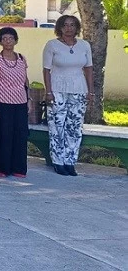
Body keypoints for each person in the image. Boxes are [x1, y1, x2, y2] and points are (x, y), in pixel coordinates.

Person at [42, 15, 93, 177]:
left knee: (74, 127)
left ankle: (70, 161)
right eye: (65, 25)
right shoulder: (52, 45)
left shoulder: (84, 45)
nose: (69, 28)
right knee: (58, 126)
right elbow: (46, 70)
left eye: (72, 25)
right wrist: (48, 91)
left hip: (79, 89)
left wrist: (90, 91)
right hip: (57, 90)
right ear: (60, 28)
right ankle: (58, 161)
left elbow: (89, 68)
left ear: (77, 27)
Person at [0, 27, 29, 178]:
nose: (8, 41)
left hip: (20, 102)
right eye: (4, 38)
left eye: (11, 38)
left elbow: (25, 80)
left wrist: (29, 100)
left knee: (20, 135)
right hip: (1, 102)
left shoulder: (21, 58)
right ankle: (3, 168)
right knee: (3, 136)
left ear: (16, 40)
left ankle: (19, 168)